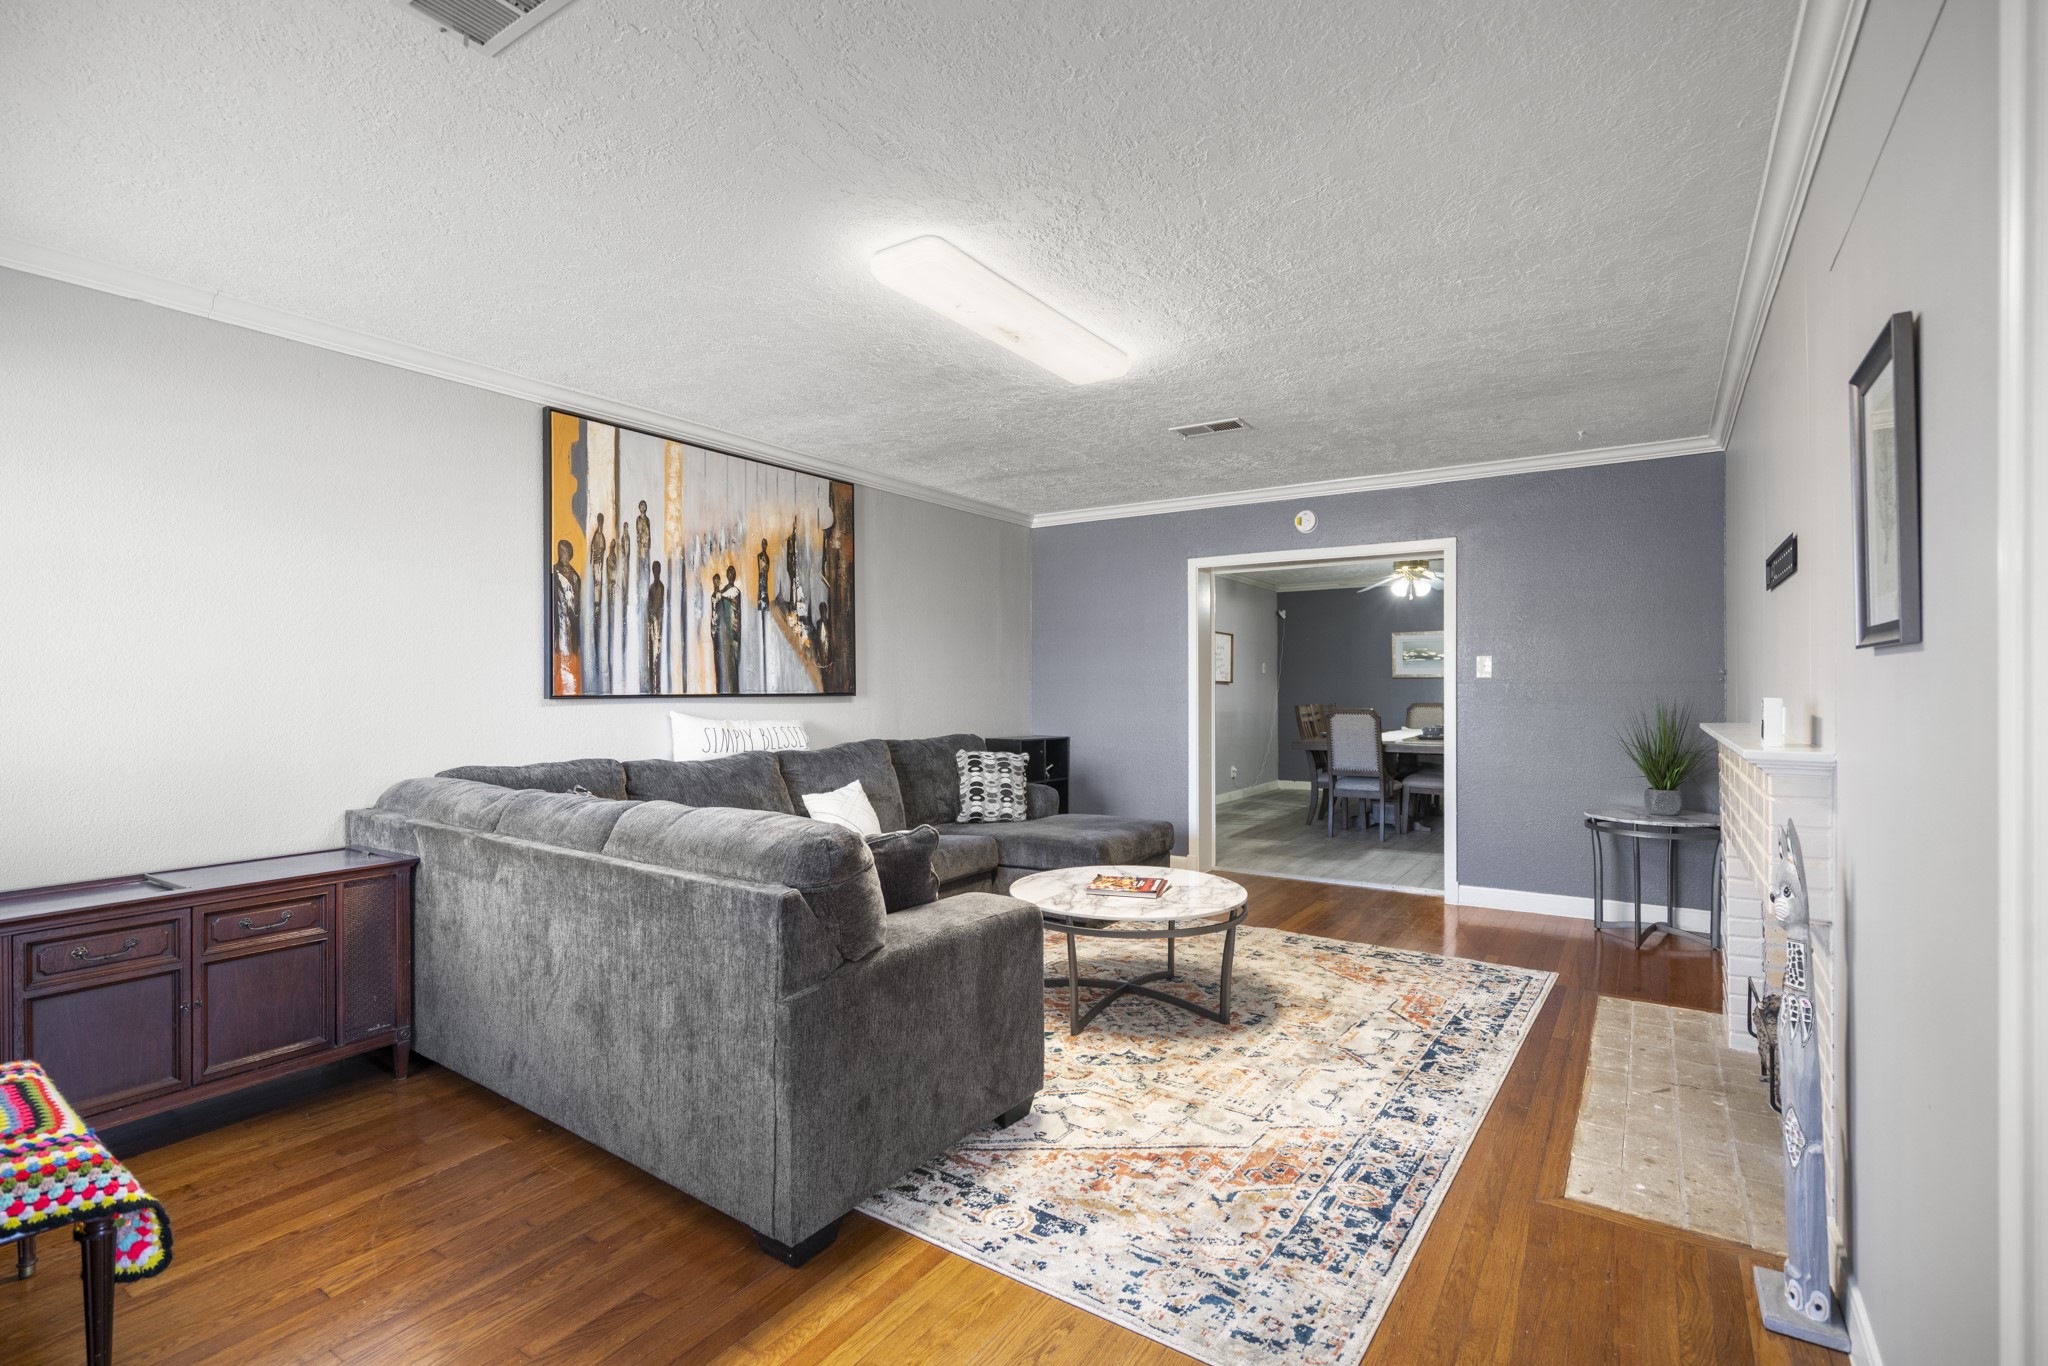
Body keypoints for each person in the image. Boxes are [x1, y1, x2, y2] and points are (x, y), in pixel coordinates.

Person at [551, 539, 582, 695]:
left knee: (570, 654)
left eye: (564, 552)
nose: (562, 555)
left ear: (569, 554)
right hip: (558, 620)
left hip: (570, 623)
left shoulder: (575, 576)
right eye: (560, 552)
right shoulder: (554, 573)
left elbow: (577, 606)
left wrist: (573, 613)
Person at [716, 565, 744, 693]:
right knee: (728, 660)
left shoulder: (736, 591)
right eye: (729, 573)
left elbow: (733, 599)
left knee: (735, 659)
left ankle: (735, 690)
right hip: (726, 629)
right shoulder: (724, 591)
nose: (731, 575)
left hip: (736, 630)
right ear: (727, 575)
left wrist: (722, 596)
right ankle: (729, 690)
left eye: (733, 573)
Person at [642, 561, 666, 694]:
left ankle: (657, 687)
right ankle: (652, 686)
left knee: (657, 655)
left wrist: (656, 622)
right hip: (651, 625)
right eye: (654, 569)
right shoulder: (651, 588)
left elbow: (659, 608)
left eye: (657, 568)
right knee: (651, 655)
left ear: (660, 570)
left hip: (658, 625)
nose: (655, 571)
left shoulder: (660, 587)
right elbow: (650, 607)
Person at [756, 538, 771, 612]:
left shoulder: (767, 557)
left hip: (765, 577)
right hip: (761, 577)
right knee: (761, 591)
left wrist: (765, 568)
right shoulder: (759, 555)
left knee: (765, 591)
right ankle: (761, 606)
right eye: (763, 543)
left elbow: (767, 569)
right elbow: (761, 569)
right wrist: (764, 568)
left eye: (765, 544)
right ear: (761, 545)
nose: (764, 545)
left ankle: (765, 606)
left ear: (766, 545)